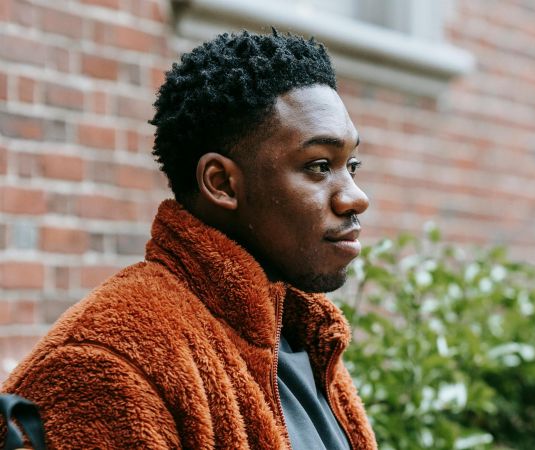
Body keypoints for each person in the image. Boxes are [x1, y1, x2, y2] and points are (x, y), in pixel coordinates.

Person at [2, 30, 378, 449]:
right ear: (222, 184)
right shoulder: (109, 362)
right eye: (320, 165)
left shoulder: (303, 335)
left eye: (352, 164)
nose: (356, 197)